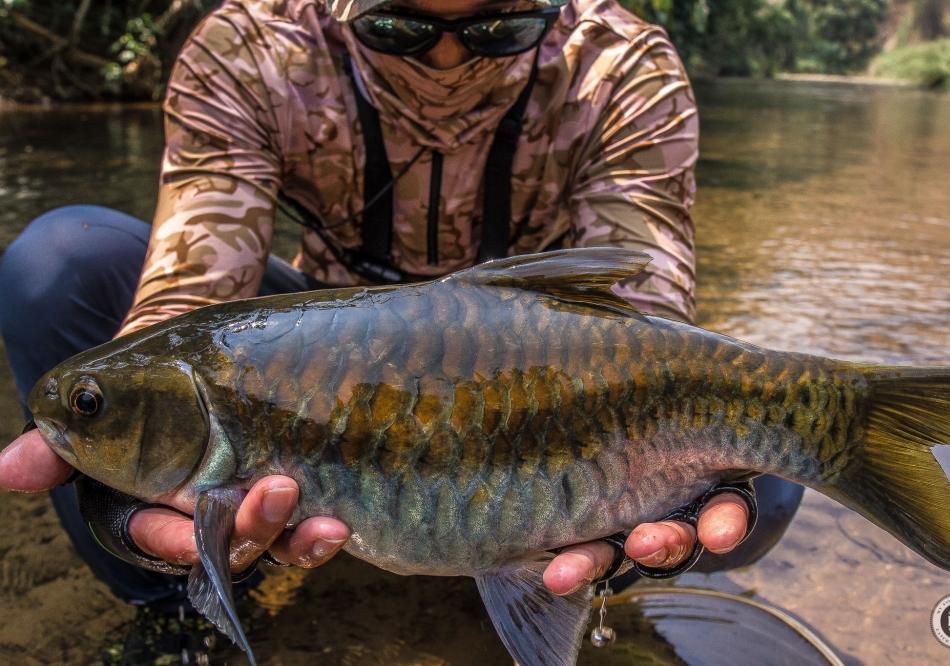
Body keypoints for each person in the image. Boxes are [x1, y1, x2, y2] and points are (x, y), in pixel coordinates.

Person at [0, 0, 803, 657]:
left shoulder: (622, 67)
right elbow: (192, 299)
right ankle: (183, 604)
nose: (448, 63)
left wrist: (677, 449)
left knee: (765, 463)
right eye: (398, 31)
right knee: (61, 263)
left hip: (544, 370)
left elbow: (647, 319)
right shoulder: (253, 45)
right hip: (320, 358)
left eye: (497, 31)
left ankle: (564, 556)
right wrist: (123, 488)